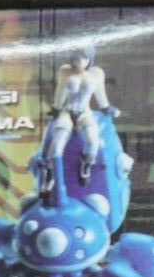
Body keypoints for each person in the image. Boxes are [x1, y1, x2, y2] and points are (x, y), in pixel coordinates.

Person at [45, 44, 120, 183]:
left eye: (83, 58)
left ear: (89, 59)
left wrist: (106, 107)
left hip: (85, 112)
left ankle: (85, 165)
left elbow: (100, 93)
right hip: (67, 111)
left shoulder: (96, 74)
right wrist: (56, 108)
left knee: (92, 141)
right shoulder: (65, 71)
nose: (78, 61)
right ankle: (50, 171)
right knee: (57, 143)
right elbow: (60, 91)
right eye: (76, 58)